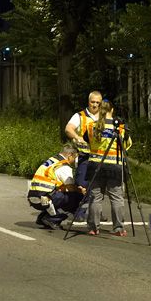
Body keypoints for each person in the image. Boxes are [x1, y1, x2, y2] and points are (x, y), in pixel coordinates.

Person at [84, 99, 132, 237]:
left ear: (99, 110)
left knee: (95, 198)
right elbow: (127, 145)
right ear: (112, 110)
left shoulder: (91, 125)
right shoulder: (121, 128)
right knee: (116, 198)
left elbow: (87, 140)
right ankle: (118, 228)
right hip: (114, 166)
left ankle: (93, 227)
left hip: (95, 165)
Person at [28, 144, 85, 230]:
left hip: (33, 197)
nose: (74, 161)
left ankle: (42, 218)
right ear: (70, 155)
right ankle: (52, 219)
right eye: (75, 157)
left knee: (61, 194)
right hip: (45, 198)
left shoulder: (52, 160)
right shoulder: (64, 166)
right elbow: (70, 188)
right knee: (76, 198)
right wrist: (81, 191)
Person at [64, 90, 102, 220]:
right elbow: (68, 129)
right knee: (82, 185)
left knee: (98, 186)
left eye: (98, 102)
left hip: (101, 157)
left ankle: (96, 212)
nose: (95, 105)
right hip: (85, 156)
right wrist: (77, 137)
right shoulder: (80, 116)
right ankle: (79, 212)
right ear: (88, 102)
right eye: (93, 102)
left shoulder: (104, 117)